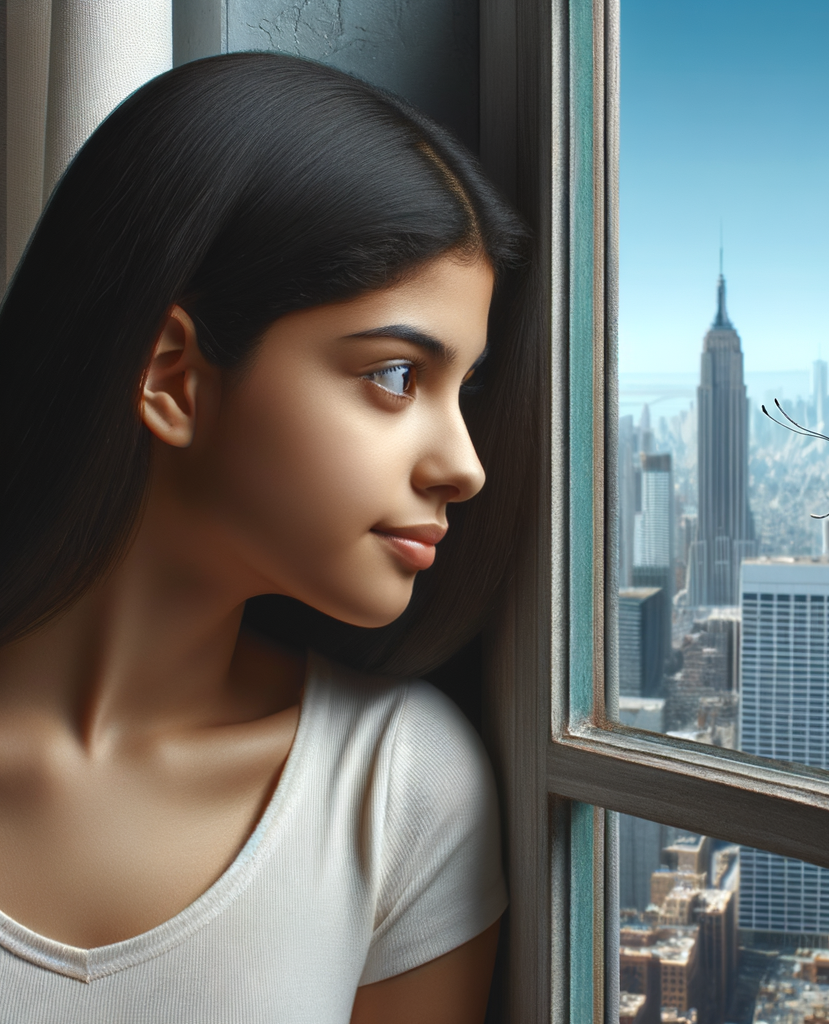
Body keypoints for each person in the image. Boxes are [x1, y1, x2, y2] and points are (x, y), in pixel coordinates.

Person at [0, 51, 534, 1022]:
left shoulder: (398, 793)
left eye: (465, 389)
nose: (464, 464)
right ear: (173, 377)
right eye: (394, 377)